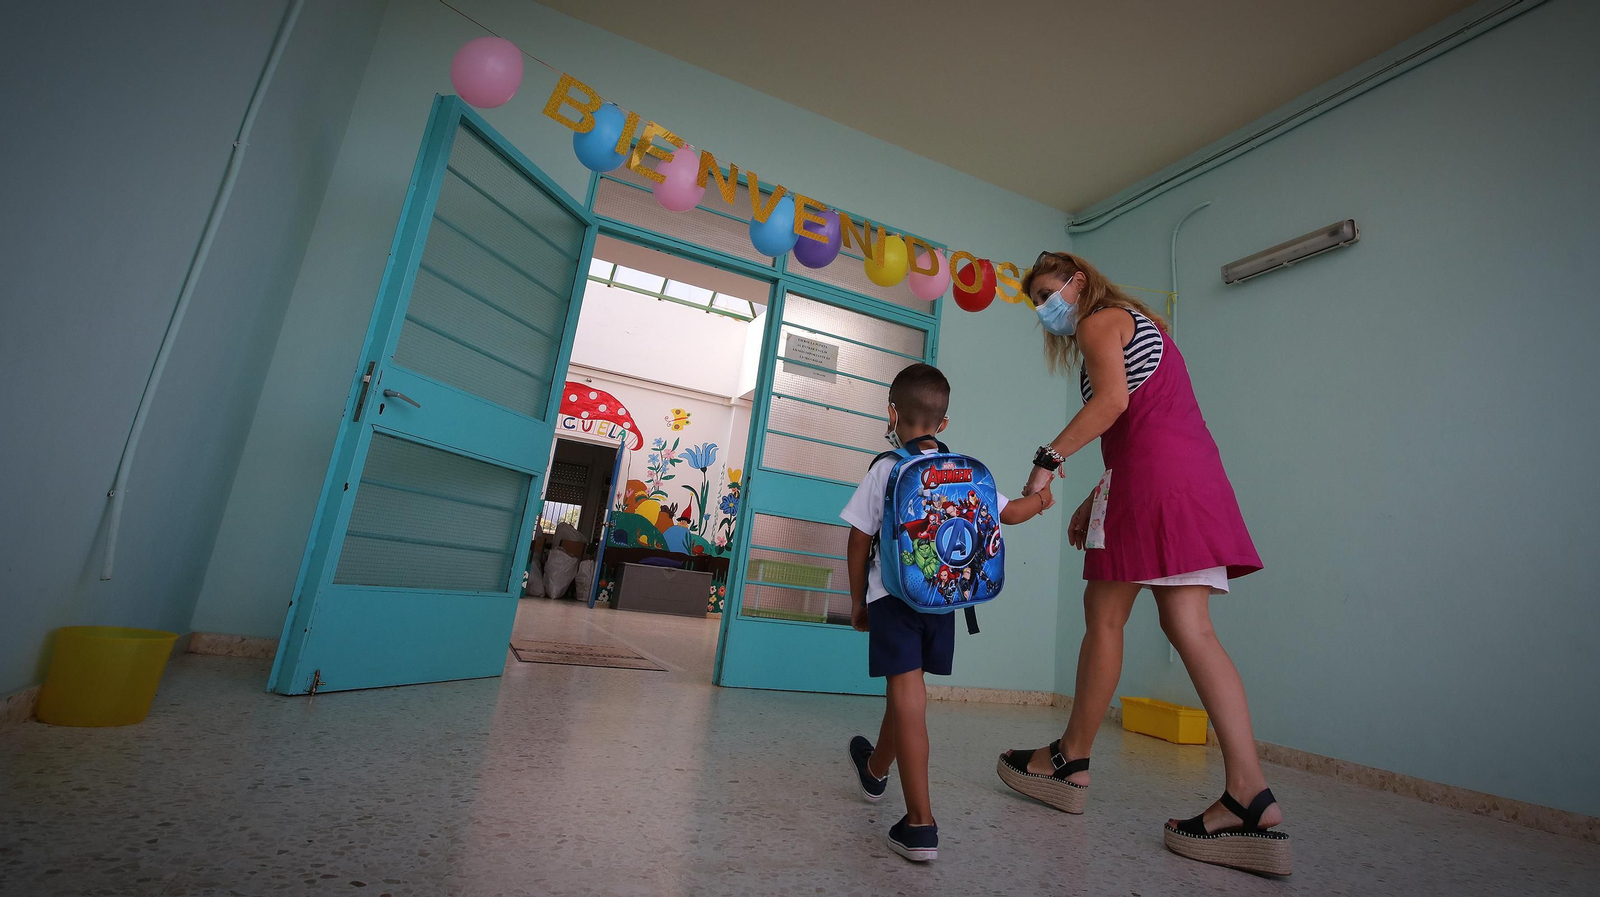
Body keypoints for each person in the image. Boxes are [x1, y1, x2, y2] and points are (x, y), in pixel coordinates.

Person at [994, 252, 1291, 877]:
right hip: (1187, 480)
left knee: (1103, 618)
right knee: (1192, 630)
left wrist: (1045, 462)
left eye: (1051, 291)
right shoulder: (1137, 322)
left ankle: (1071, 762)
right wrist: (1101, 492)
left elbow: (1110, 404)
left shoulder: (1101, 320)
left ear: (1079, 281)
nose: (1047, 306)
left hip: (1154, 484)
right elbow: (1145, 422)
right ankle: (1250, 795)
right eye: (1037, 299)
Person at [840, 363, 1054, 862]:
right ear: (944, 423)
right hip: (946, 599)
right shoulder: (965, 470)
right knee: (908, 690)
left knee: (907, 695)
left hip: (894, 599)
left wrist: (856, 600)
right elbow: (1010, 514)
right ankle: (874, 769)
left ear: (893, 413)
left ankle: (919, 823)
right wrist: (1041, 498)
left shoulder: (886, 468)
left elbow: (857, 537)